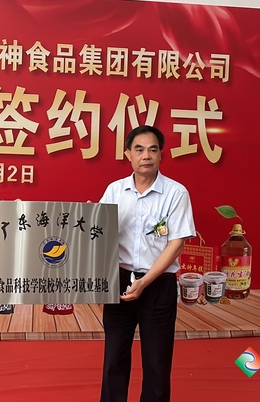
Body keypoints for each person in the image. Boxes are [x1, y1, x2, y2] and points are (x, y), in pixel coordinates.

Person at [99, 125, 196, 402]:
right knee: (114, 357)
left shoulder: (176, 193)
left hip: (158, 285)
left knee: (157, 361)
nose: (146, 156)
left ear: (161, 154)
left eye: (153, 150)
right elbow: (98, 233)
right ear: (128, 154)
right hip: (119, 282)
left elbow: (176, 243)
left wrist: (144, 282)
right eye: (139, 149)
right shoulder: (115, 191)